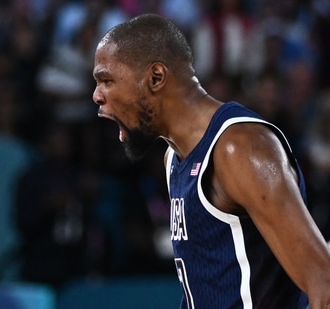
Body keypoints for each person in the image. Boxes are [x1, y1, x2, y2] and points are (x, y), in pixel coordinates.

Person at [91, 13, 330, 308]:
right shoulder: (173, 158)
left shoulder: (239, 147)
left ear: (155, 77)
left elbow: (324, 285)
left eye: (106, 80)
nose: (96, 96)